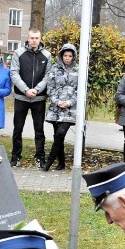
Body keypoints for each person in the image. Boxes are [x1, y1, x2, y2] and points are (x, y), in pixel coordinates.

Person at [9, 28, 51, 168]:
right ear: (28, 38)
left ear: (40, 38)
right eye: (32, 38)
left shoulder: (47, 55)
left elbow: (48, 76)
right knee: (18, 129)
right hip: (21, 97)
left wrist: (37, 90)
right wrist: (26, 90)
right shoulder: (18, 53)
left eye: (36, 38)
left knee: (39, 130)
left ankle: (40, 157)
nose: (34, 40)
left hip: (38, 99)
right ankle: (16, 157)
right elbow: (14, 73)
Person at [42, 43, 79, 171]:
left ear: (73, 57)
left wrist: (70, 102)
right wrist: (56, 101)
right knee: (57, 135)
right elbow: (50, 87)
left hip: (70, 110)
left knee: (60, 133)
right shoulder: (54, 69)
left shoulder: (78, 70)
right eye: (65, 55)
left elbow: (80, 91)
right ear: (61, 56)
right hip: (56, 108)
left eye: (70, 56)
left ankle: (49, 162)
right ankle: (61, 162)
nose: (67, 58)